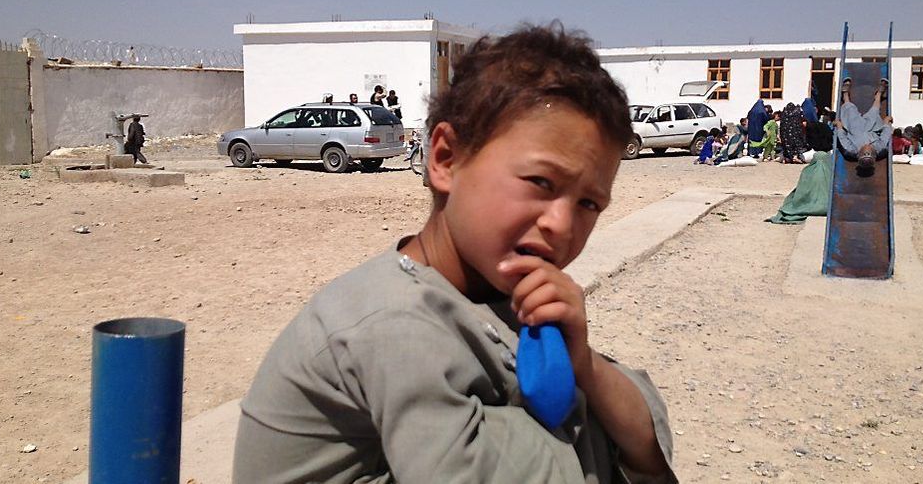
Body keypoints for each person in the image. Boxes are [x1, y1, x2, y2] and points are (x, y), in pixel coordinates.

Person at [233, 24, 678, 484]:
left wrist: (582, 364)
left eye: (589, 204)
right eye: (541, 183)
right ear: (445, 158)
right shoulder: (393, 324)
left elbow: (645, 438)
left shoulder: (492, 290)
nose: (562, 226)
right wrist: (597, 426)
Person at [832, 78, 892, 174]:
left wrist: (839, 127)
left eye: (865, 153)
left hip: (855, 128)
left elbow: (843, 139)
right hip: (871, 127)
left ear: (859, 154)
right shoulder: (879, 147)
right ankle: (879, 95)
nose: (867, 149)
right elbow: (885, 135)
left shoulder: (852, 150)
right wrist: (886, 123)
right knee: (874, 112)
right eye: (869, 153)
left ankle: (845, 95)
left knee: (850, 112)